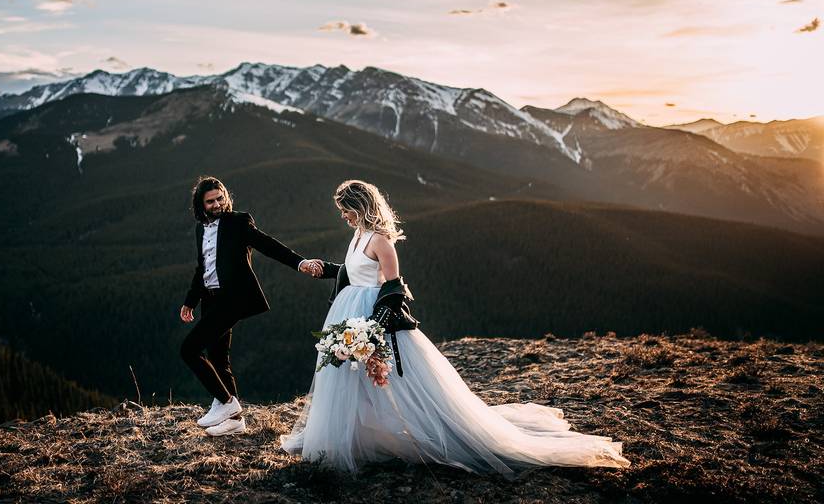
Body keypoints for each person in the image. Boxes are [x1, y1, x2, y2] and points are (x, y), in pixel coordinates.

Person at [280, 179, 631, 475]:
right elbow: (352, 269)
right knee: (348, 378)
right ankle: (355, 435)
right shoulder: (358, 235)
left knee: (399, 381)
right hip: (350, 313)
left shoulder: (381, 241)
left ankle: (421, 433)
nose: (342, 215)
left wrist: (375, 328)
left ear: (360, 207)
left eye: (346, 209)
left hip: (374, 318)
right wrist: (322, 268)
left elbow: (392, 286)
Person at [180, 176, 323, 436]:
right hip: (209, 299)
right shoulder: (201, 229)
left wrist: (299, 263)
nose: (217, 204)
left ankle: (226, 402)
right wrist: (191, 300)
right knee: (218, 357)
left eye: (220, 198)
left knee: (189, 349)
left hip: (231, 299)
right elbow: (203, 268)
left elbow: (267, 245)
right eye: (210, 201)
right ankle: (234, 421)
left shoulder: (238, 221)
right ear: (201, 205)